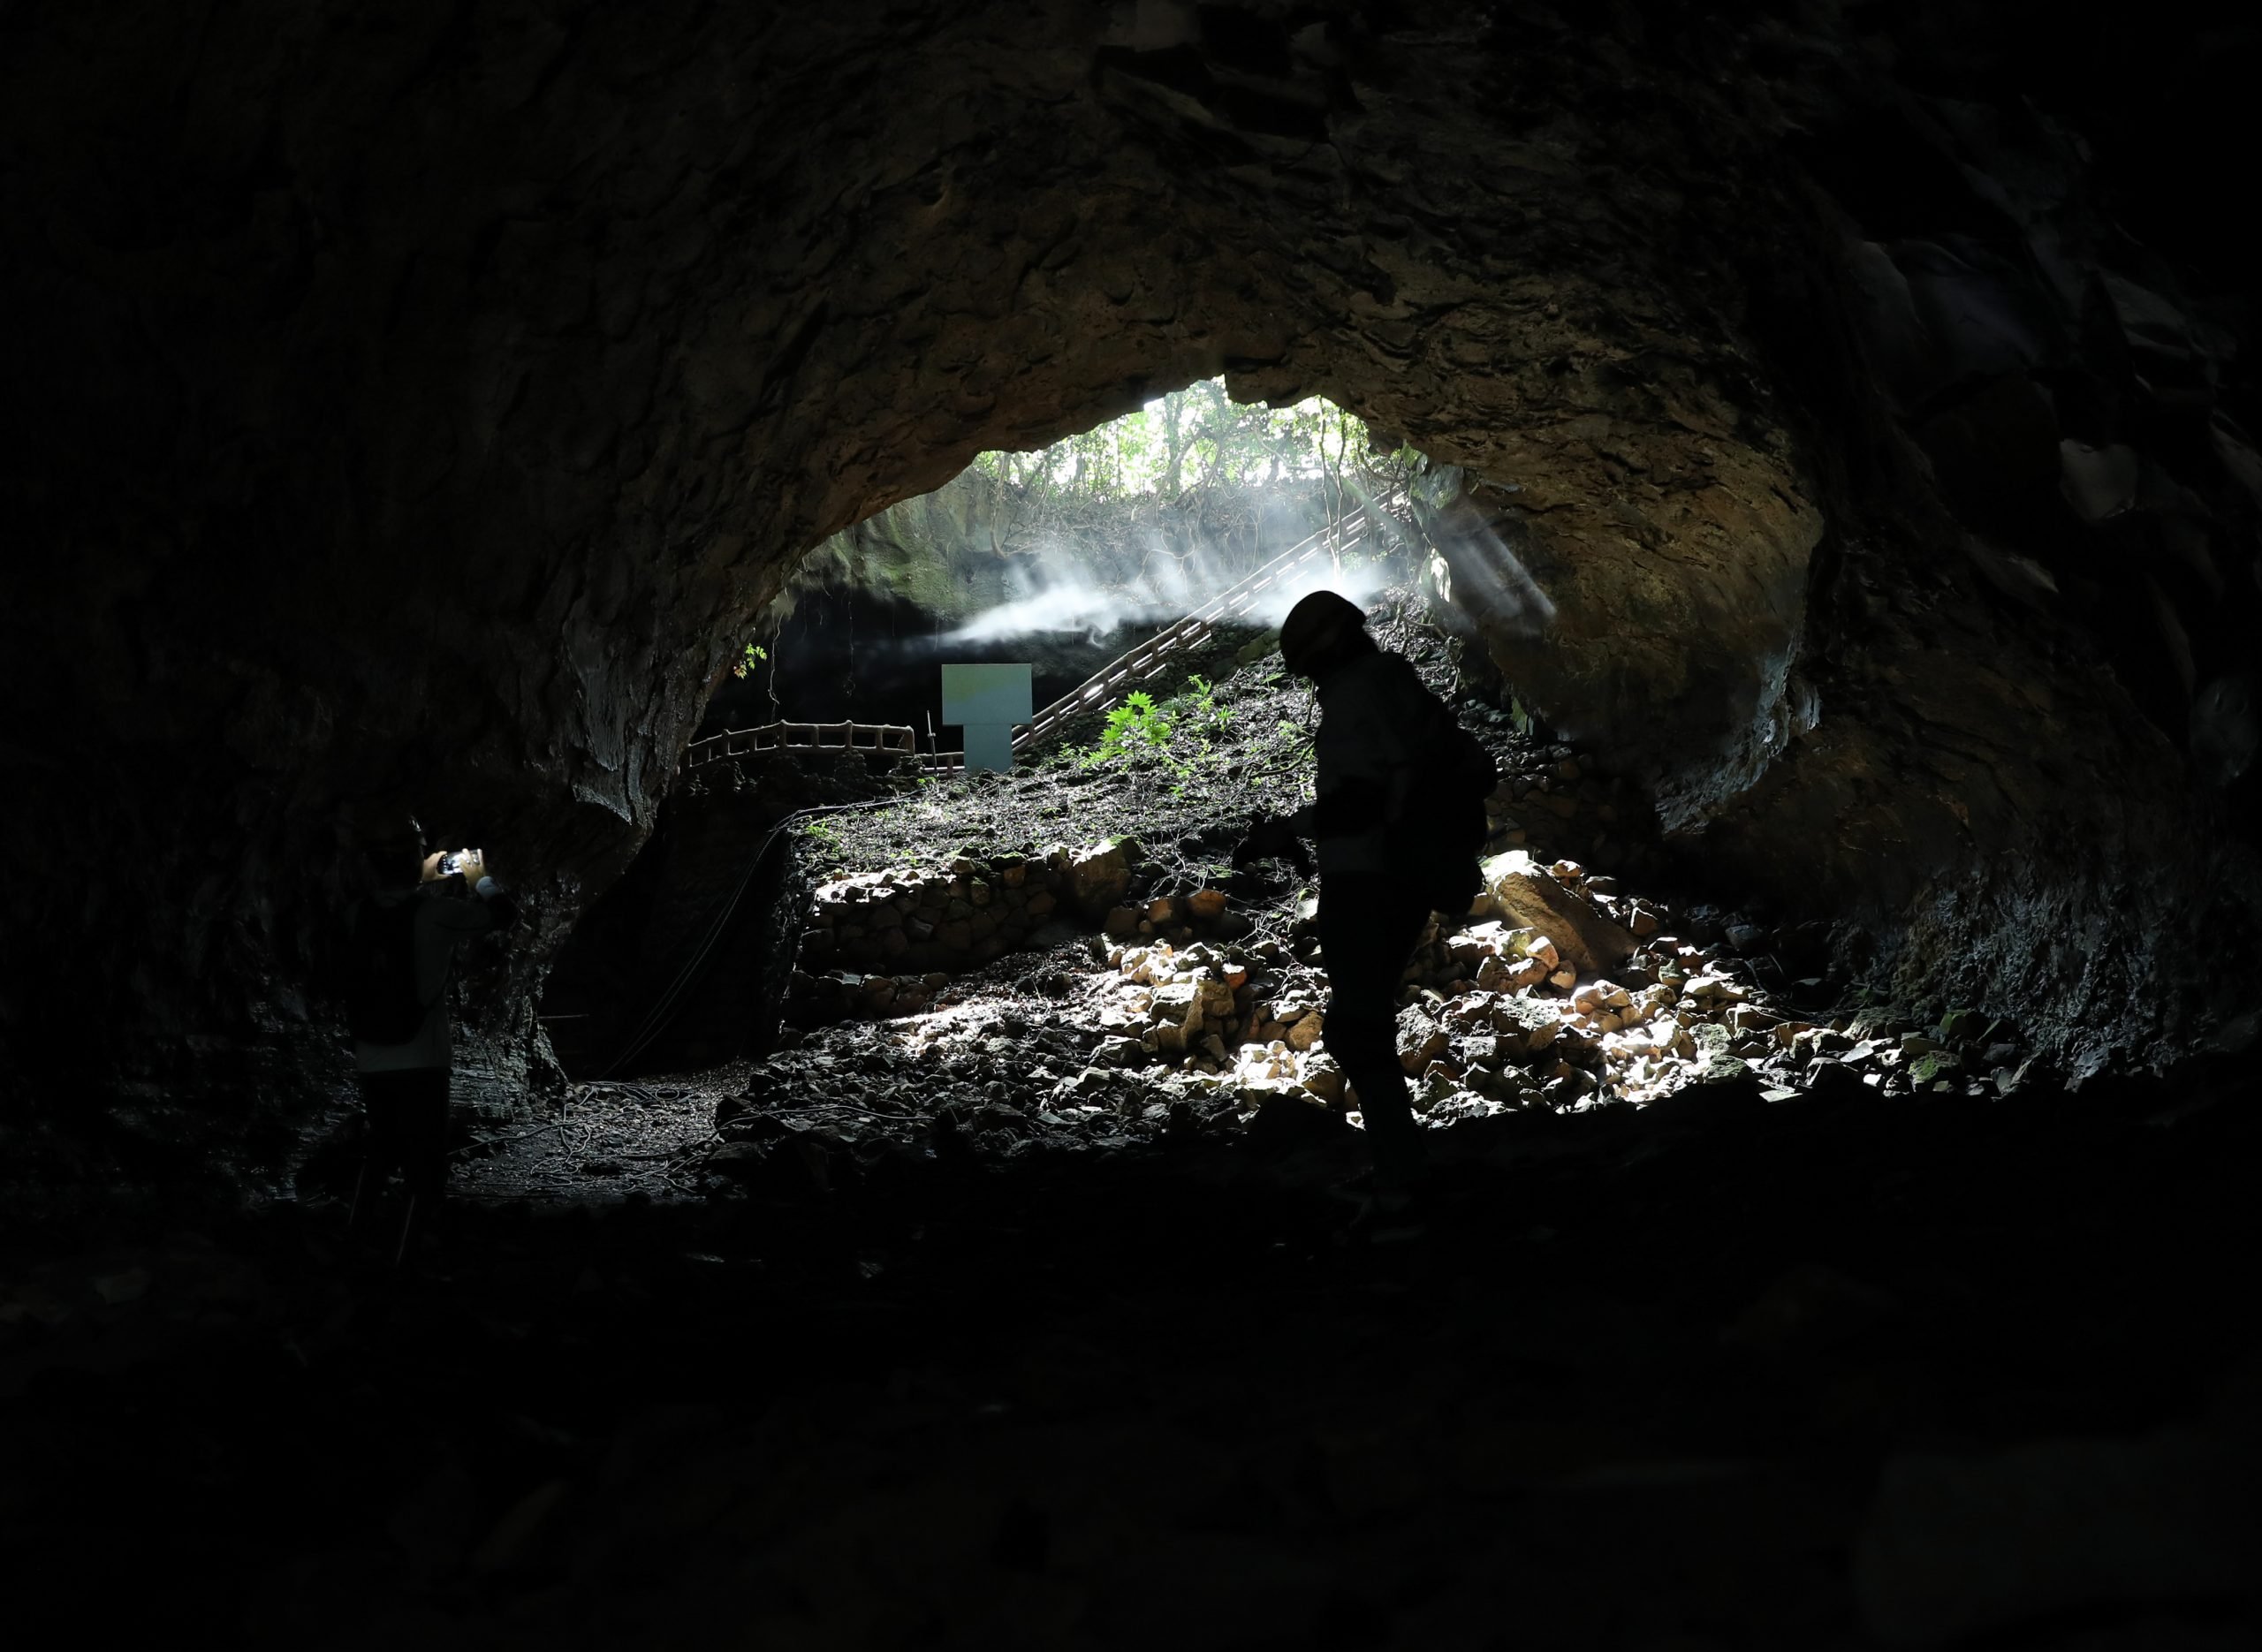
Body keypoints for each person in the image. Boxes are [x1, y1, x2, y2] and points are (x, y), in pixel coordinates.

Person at [1235, 590, 1495, 1186]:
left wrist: (1287, 830)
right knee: (1364, 1024)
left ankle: (1403, 1183)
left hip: (1369, 881)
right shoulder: (1398, 688)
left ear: (1321, 655)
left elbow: (1359, 800)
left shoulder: (1357, 695)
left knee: (1357, 1029)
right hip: (1402, 878)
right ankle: (1403, 1169)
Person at [342, 822, 519, 1259]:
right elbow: (504, 915)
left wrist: (410, 871)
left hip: (372, 1055)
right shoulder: (436, 913)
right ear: (412, 862)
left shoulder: (352, 915)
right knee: (425, 1162)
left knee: (382, 1150)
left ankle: (353, 1245)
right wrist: (477, 877)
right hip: (422, 1055)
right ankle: (407, 1261)